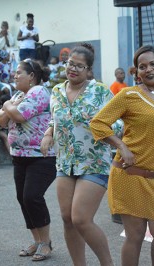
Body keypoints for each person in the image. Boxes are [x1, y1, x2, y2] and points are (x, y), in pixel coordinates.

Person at [90, 45, 154, 266]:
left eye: (153, 64)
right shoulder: (128, 95)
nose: (148, 69)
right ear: (137, 72)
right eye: (142, 66)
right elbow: (98, 123)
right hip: (128, 175)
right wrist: (121, 146)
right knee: (136, 235)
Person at [40, 43, 114, 266]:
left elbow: (118, 123)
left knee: (81, 218)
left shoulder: (100, 91)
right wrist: (48, 133)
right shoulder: (56, 91)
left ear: (89, 70)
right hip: (65, 161)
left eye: (79, 66)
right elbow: (55, 119)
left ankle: (107, 263)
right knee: (66, 219)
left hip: (94, 162)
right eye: (70, 63)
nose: (72, 69)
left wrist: (98, 126)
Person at [0, 59, 56, 261]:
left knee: (32, 197)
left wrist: (7, 105)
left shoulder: (39, 91)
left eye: (19, 72)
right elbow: (0, 119)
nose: (15, 75)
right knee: (23, 199)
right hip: (20, 156)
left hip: (40, 157)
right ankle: (38, 241)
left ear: (32, 76)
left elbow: (19, 115)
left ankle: (46, 243)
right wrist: (10, 107)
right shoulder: (19, 95)